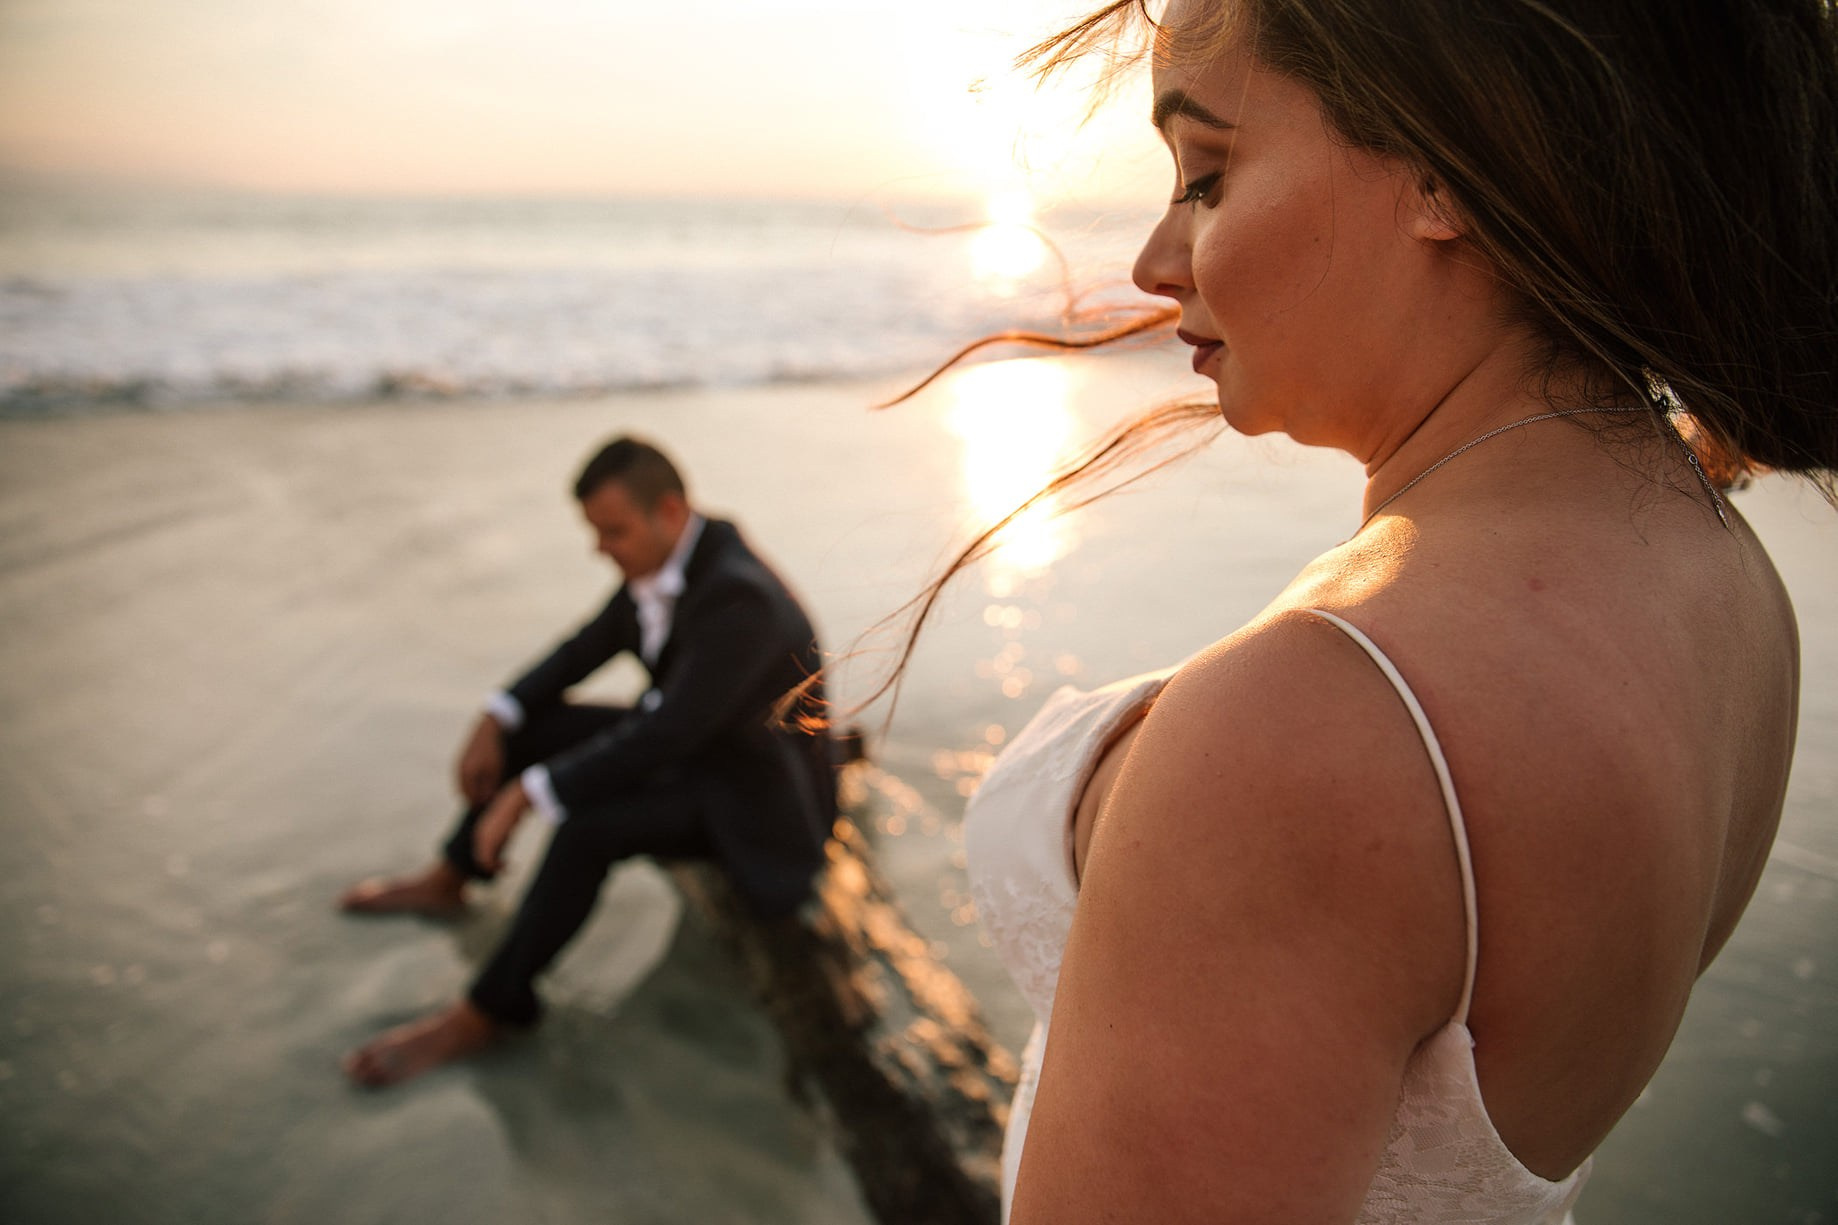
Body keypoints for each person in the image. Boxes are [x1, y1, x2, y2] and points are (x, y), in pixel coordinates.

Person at [946, 1, 1837, 1221]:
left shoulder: (1321, 724)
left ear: (1449, 166)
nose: (1155, 263)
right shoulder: (1727, 583)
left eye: (1207, 176)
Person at [340, 435, 834, 1087]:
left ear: (670, 510)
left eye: (613, 531)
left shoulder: (738, 598)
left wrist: (528, 795)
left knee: (585, 828)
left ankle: (488, 1011)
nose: (600, 547)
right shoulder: (662, 564)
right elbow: (582, 650)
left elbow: (667, 735)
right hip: (699, 745)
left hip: (755, 797)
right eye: (595, 532)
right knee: (531, 730)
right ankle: (450, 877)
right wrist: (498, 712)